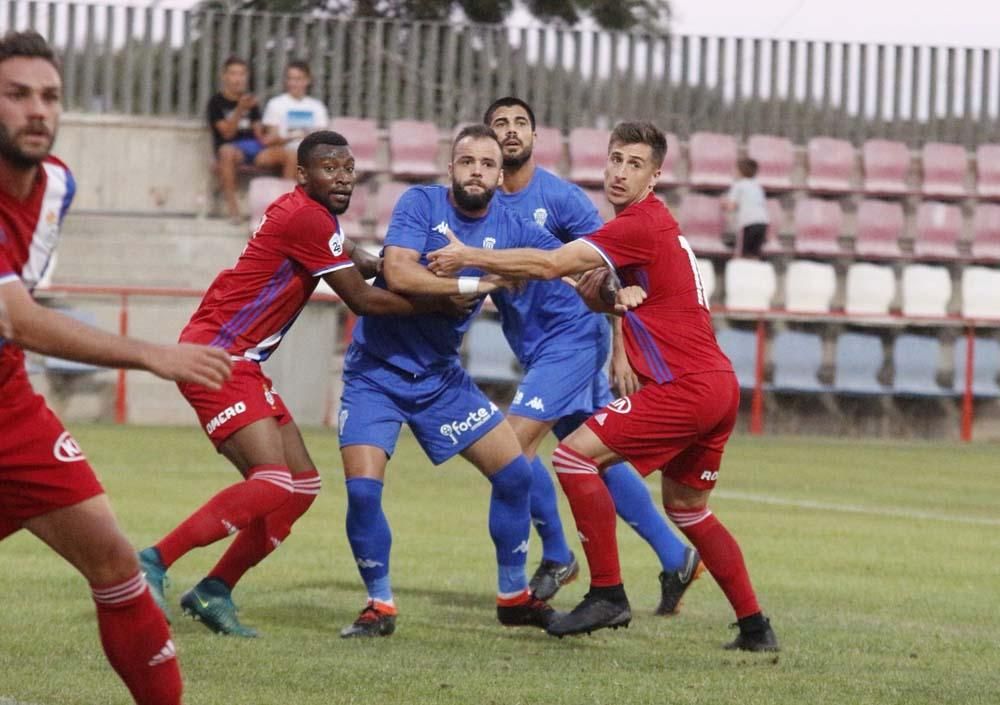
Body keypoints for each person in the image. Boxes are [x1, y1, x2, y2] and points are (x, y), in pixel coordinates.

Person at [428, 121, 780, 650]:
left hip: (684, 386)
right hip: (716, 386)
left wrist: (468, 256)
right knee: (688, 510)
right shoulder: (653, 228)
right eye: (615, 159)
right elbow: (628, 296)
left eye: (634, 164)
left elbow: (550, 264)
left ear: (655, 175)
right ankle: (756, 629)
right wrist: (608, 300)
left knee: (572, 459)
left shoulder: (639, 224)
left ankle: (607, 592)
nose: (619, 172)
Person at [135, 130, 464, 638]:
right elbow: (363, 302)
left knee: (302, 486)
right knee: (272, 481)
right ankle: (153, 562)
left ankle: (214, 590)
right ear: (303, 175)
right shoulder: (306, 217)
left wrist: (379, 260)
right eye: (329, 169)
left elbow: (344, 248)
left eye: (348, 169)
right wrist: (440, 299)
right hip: (217, 357)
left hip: (242, 361)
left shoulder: (310, 216)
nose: (343, 178)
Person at [0, 30, 233, 704]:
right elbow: (22, 317)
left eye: (49, 96)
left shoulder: (56, 187)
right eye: (16, 95)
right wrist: (154, 354)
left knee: (114, 559)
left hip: (8, 400)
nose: (37, 110)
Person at [336, 124, 579, 638]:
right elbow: (399, 274)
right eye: (467, 161)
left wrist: (610, 283)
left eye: (487, 164)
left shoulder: (512, 224)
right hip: (376, 373)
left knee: (514, 475)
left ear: (499, 173)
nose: (477, 171)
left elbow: (554, 262)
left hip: (440, 381)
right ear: (450, 167)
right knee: (362, 492)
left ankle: (512, 597)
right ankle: (379, 605)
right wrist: (478, 281)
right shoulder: (420, 204)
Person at [482, 97, 702, 612]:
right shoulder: (483, 203)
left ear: (536, 137)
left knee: (510, 448)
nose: (511, 132)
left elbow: (616, 273)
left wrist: (620, 351)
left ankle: (558, 554)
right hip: (538, 348)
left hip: (574, 339)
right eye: (500, 125)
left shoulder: (561, 200)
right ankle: (675, 556)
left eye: (520, 124)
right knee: (594, 458)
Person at [207, 55, 294, 223]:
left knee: (290, 155)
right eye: (233, 74)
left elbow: (259, 134)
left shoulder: (251, 102)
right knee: (226, 152)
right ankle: (233, 210)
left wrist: (275, 138)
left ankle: (285, 211)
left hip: (255, 149)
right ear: (224, 76)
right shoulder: (216, 103)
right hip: (233, 149)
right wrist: (240, 109)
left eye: (241, 74)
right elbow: (227, 134)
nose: (237, 79)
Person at [261, 60, 330, 167]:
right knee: (294, 156)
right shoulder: (275, 104)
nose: (293, 83)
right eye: (290, 79)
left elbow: (321, 138)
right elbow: (272, 139)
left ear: (307, 80)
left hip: (310, 153)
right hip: (283, 151)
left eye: (298, 79)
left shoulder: (317, 106)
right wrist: (295, 136)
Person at [722, 158, 769, 258]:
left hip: (748, 223)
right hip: (763, 223)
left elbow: (731, 206)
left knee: (742, 254)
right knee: (755, 254)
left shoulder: (738, 185)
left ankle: (739, 271)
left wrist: (723, 203)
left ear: (740, 171)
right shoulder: (757, 186)